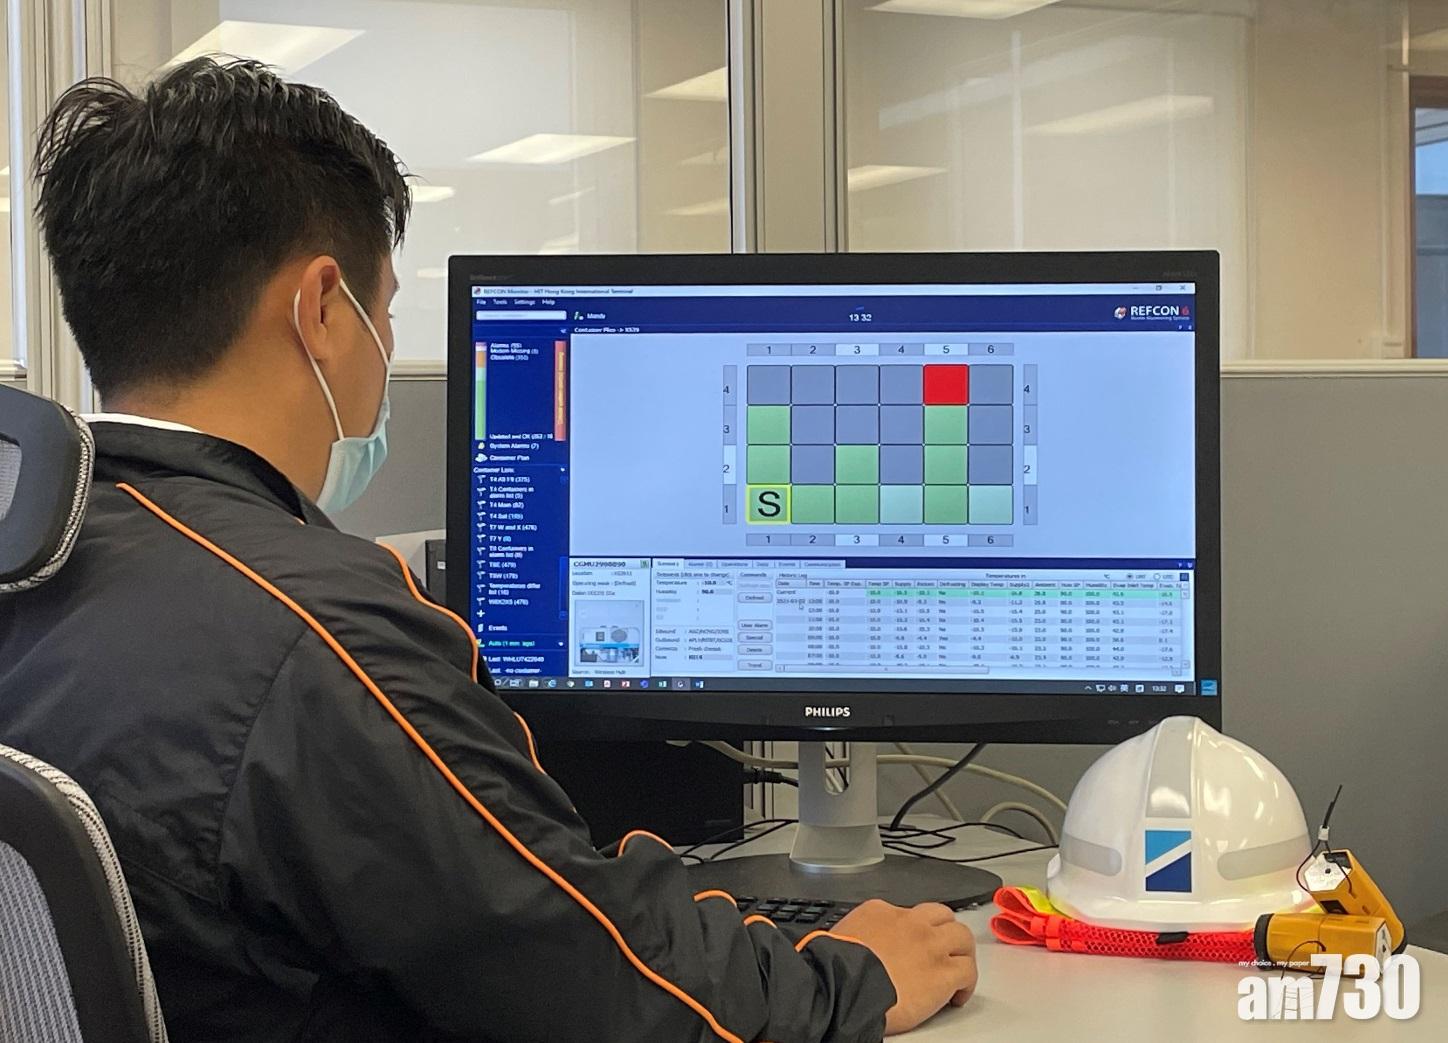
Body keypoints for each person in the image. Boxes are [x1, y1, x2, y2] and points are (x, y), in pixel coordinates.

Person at [0, 58, 977, 1042]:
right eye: (384, 310)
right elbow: (603, 982)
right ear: (323, 308)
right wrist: (850, 975)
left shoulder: (48, 561)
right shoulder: (318, 639)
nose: (384, 344)